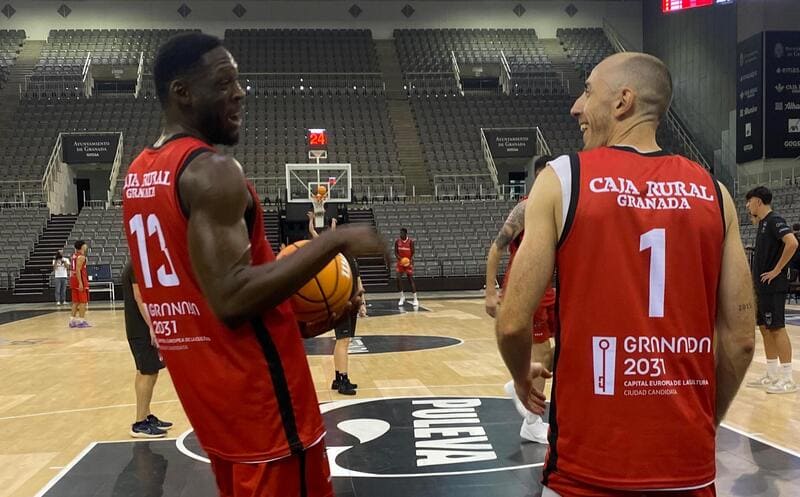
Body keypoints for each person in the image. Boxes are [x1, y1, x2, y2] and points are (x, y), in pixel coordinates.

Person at [123, 33, 382, 497]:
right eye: (224, 82)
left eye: (238, 80)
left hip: (216, 408)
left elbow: (192, 290)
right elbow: (231, 298)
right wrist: (334, 242)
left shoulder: (140, 173)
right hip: (265, 411)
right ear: (182, 92)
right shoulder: (212, 171)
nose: (239, 92)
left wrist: (297, 317)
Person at [496, 52, 755, 497]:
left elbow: (514, 321)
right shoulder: (717, 193)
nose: (576, 107)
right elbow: (742, 340)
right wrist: (705, 421)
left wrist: (522, 378)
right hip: (687, 468)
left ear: (622, 102)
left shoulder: (563, 177)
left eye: (588, 92)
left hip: (586, 468)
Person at [485, 154, 554, 444]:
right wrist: (490, 291)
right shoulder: (526, 208)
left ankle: (521, 382)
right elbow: (495, 249)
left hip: (549, 290)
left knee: (552, 355)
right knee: (542, 353)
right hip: (527, 288)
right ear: (538, 178)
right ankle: (532, 419)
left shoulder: (556, 207)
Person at [744, 186, 798, 394]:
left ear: (758, 201)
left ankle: (787, 378)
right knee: (765, 329)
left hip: (773, 286)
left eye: (749, 202)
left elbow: (792, 243)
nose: (747, 206)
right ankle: (772, 374)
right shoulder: (763, 224)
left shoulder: (774, 221)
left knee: (776, 328)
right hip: (762, 286)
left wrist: (777, 270)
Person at [308, 213, 367, 396]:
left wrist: (363, 303)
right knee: (342, 341)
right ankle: (343, 380)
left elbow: (358, 280)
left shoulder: (352, 258)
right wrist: (313, 223)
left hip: (353, 303)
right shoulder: (334, 256)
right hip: (341, 304)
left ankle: (337, 378)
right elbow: (317, 237)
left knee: (345, 341)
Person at [122, 261, 174, 438]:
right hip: (140, 329)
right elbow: (139, 296)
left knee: (148, 370)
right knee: (147, 372)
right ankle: (139, 424)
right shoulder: (137, 265)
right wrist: (152, 326)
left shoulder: (140, 264)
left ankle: (146, 415)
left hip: (141, 328)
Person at [395, 228, 418, 307]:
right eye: (400, 233)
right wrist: (400, 259)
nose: (400, 234)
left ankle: (415, 299)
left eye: (402, 233)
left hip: (408, 263)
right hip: (401, 262)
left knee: (410, 280)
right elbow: (396, 252)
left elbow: (413, 252)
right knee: (398, 278)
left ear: (405, 234)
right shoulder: (397, 241)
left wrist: (410, 260)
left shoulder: (410, 242)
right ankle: (402, 297)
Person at [69, 240, 90, 328]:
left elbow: (72, 270)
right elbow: (78, 270)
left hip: (73, 280)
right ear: (82, 246)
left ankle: (72, 321)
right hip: (79, 280)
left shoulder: (73, 256)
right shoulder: (81, 257)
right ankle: (81, 321)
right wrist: (81, 283)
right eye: (85, 245)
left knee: (75, 302)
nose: (86, 246)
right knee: (83, 302)